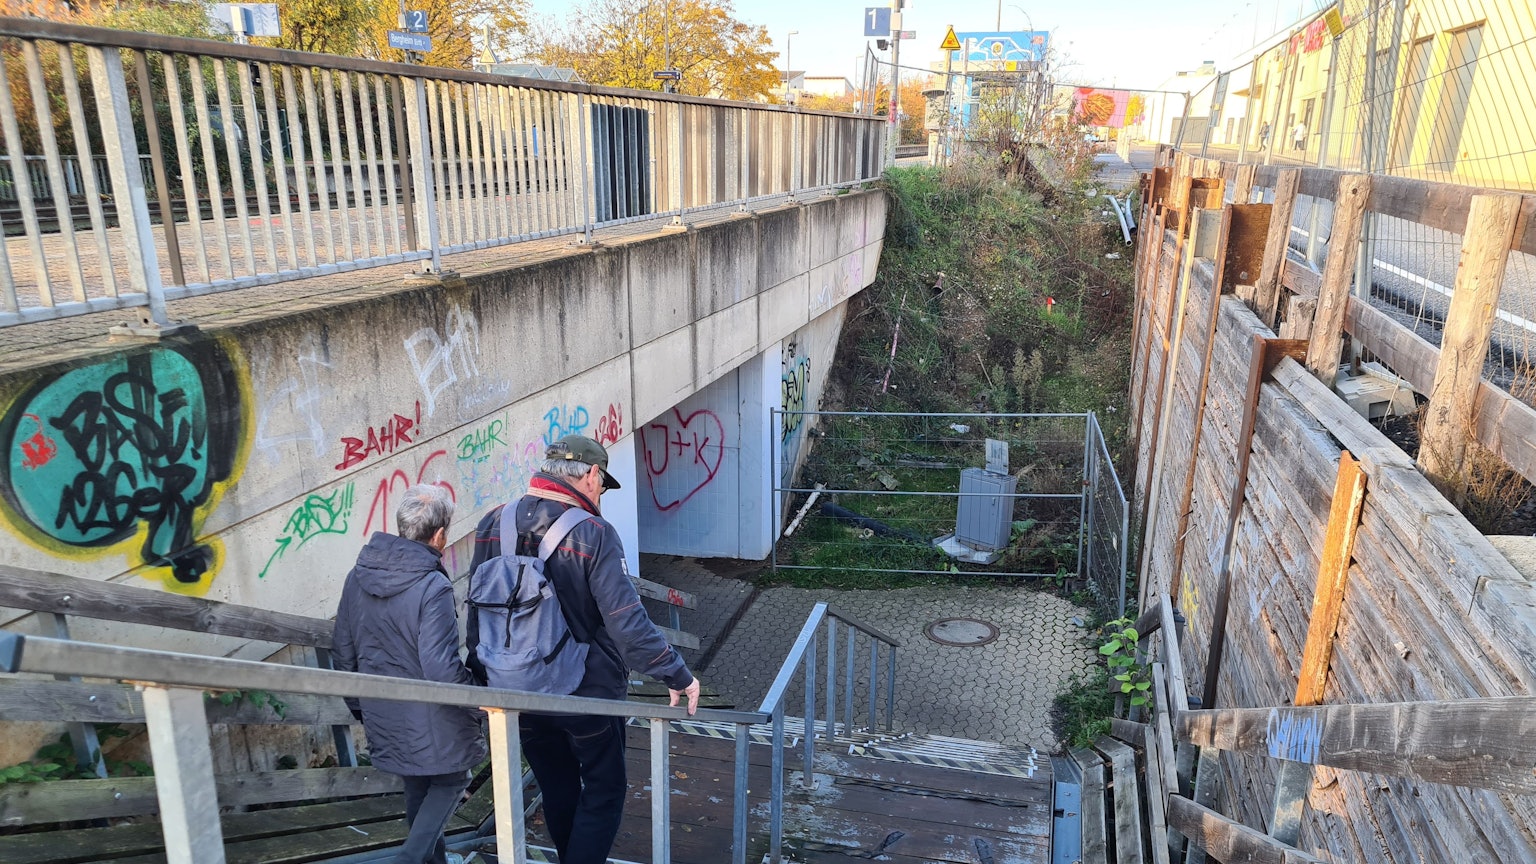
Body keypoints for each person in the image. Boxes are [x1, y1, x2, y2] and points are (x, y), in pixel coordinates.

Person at [468, 434, 700, 864]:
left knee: (556, 785)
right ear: (591, 475)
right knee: (604, 788)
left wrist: (483, 676)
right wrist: (676, 674)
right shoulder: (594, 534)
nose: (600, 493)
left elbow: (478, 611)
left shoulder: (491, 523)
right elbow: (628, 624)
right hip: (586, 696)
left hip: (515, 692)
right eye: (602, 483)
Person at [332, 484, 484, 864]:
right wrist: (479, 699)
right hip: (431, 716)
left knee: (418, 787)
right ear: (439, 535)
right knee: (452, 780)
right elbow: (440, 667)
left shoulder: (357, 575)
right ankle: (409, 859)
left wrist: (361, 707)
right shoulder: (432, 584)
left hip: (383, 708)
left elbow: (343, 650)